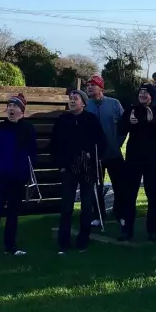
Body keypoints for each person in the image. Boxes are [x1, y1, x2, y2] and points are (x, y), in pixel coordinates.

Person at [50, 90, 106, 254]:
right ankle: (63, 243)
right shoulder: (62, 120)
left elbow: (100, 143)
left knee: (86, 206)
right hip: (68, 168)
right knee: (66, 207)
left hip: (87, 168)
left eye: (76, 99)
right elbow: (54, 144)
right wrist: (60, 165)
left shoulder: (91, 120)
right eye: (70, 99)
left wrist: (92, 156)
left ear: (84, 102)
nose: (72, 101)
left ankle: (83, 240)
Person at [0, 94, 37, 260]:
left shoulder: (27, 128)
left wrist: (25, 173)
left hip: (18, 178)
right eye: (9, 106)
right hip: (0, 177)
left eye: (15, 106)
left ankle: (10, 246)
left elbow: (32, 153)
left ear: (22, 111)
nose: (11, 109)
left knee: (13, 214)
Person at [119, 83, 156, 242]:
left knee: (153, 195)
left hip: (153, 160)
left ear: (152, 96)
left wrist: (152, 122)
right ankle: (127, 230)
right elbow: (120, 129)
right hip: (134, 159)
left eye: (146, 93)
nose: (142, 95)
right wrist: (129, 122)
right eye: (140, 92)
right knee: (129, 195)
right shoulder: (131, 110)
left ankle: (153, 230)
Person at [85, 75, 126, 227]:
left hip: (114, 152)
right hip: (95, 154)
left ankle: (120, 213)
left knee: (120, 185)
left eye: (92, 85)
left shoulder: (114, 103)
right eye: (87, 85)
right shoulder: (86, 105)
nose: (89, 87)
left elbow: (123, 126)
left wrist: (118, 143)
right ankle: (98, 215)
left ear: (100, 88)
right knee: (96, 186)